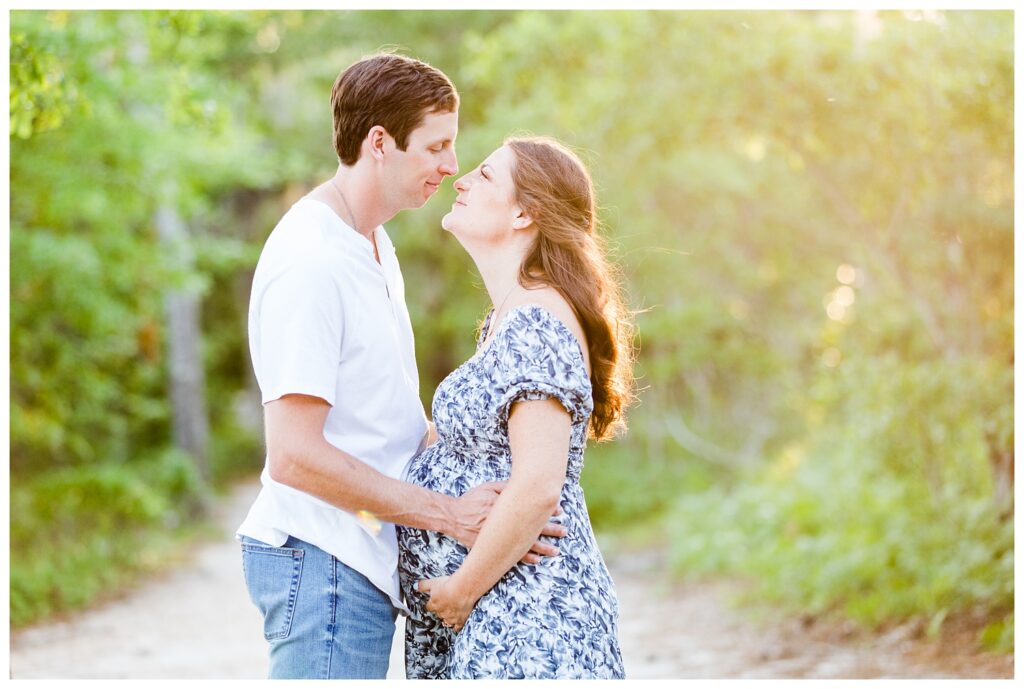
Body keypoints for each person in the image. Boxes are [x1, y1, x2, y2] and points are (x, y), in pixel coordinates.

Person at [236, 54, 564, 680]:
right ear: (379, 143)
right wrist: (446, 514)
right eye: (437, 146)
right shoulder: (312, 261)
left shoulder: (373, 243)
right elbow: (293, 455)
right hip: (323, 559)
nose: (451, 165)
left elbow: (383, 419)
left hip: (355, 557)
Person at [397, 136, 635, 679]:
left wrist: (460, 590)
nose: (460, 181)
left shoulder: (537, 319)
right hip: (503, 613)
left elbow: (537, 485)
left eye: (483, 176)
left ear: (525, 212)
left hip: (529, 621)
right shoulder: (508, 316)